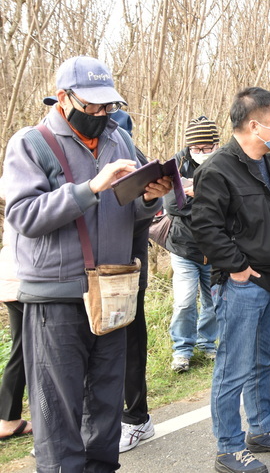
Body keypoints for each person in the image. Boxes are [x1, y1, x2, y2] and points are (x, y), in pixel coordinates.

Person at [3, 55, 169, 471]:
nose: (101, 113)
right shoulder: (31, 142)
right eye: (92, 105)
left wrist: (149, 198)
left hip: (112, 291)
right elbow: (23, 215)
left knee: (106, 402)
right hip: (55, 298)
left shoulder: (120, 139)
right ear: (63, 98)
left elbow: (128, 214)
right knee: (58, 411)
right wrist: (90, 187)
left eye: (107, 105)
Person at [190, 87, 270, 473]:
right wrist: (236, 266)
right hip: (243, 282)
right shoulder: (218, 168)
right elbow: (205, 228)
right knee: (233, 366)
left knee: (263, 361)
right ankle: (228, 446)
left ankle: (262, 428)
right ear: (254, 124)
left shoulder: (267, 161)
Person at [113, 110, 158, 453]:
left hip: (127, 273)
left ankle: (136, 418)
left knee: (130, 347)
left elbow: (145, 213)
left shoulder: (132, 158)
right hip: (88, 275)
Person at [166, 116, 220, 372]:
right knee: (185, 301)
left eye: (206, 149)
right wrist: (204, 202)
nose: (200, 154)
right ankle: (182, 350)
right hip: (183, 247)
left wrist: (193, 196)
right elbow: (170, 205)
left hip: (216, 249)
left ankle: (207, 344)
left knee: (213, 301)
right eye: (195, 149)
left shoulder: (226, 163)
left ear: (216, 145)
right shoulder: (176, 164)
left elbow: (228, 206)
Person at [0, 182, 32, 442]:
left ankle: (9, 418)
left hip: (13, 281)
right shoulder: (26, 197)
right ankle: (8, 420)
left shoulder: (14, 194)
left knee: (20, 351)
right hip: (23, 283)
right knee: (25, 351)